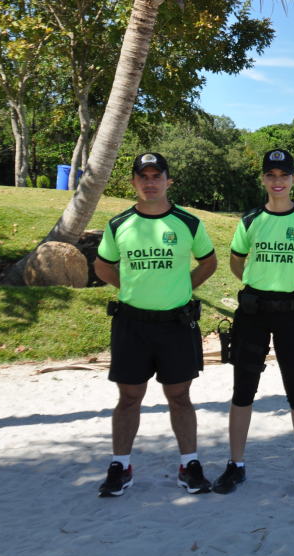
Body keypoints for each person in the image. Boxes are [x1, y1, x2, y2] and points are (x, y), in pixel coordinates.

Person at [211, 149, 294, 500]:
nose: (277, 181)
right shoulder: (251, 220)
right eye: (271, 175)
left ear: (293, 179)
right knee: (243, 390)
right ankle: (236, 464)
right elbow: (237, 262)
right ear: (264, 179)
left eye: (284, 175)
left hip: (292, 314)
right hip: (253, 313)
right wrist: (259, 285)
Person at [93, 152, 217, 497]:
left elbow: (209, 263)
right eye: (143, 177)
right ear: (134, 182)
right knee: (129, 397)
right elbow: (102, 266)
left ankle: (189, 464)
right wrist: (130, 288)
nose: (150, 183)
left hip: (176, 323)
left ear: (168, 181)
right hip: (132, 324)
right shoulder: (119, 224)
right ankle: (120, 465)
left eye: (156, 176)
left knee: (179, 396)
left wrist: (182, 288)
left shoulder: (188, 223)